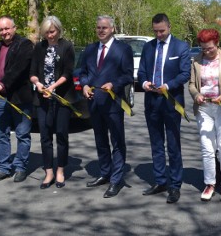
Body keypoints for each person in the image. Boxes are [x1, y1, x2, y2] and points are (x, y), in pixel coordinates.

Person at [138, 13, 191, 204]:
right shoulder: (148, 46)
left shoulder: (181, 47)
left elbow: (184, 74)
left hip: (171, 101)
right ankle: (160, 181)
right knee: (156, 144)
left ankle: (175, 185)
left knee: (173, 145)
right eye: (155, 31)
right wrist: (144, 83)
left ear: (169, 27)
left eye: (161, 31)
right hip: (151, 102)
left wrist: (167, 86)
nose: (159, 35)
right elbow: (142, 70)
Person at [80, 15, 133, 198]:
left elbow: (127, 75)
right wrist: (85, 85)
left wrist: (113, 84)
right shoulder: (90, 49)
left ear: (112, 29)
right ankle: (105, 173)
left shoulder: (123, 49)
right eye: (98, 27)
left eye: (104, 27)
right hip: (94, 102)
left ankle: (116, 180)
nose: (100, 30)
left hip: (113, 103)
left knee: (117, 141)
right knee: (100, 140)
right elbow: (82, 72)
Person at [188, 28, 221, 202]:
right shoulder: (196, 60)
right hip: (204, 108)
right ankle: (210, 183)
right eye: (203, 48)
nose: (207, 52)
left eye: (210, 48)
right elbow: (191, 85)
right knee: (207, 147)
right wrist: (196, 95)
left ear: (217, 43)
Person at [0, 16, 34, 183]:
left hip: (20, 98)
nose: (4, 32)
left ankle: (20, 167)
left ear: (14, 28)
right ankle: (4, 168)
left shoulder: (25, 45)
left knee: (22, 134)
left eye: (7, 28)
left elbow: (18, 69)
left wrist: (1, 84)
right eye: (1, 29)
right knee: (1, 133)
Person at [30, 16, 76, 189]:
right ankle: (49, 171)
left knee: (62, 135)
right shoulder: (39, 47)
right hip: (42, 99)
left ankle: (60, 170)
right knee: (45, 136)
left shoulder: (67, 46)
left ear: (58, 30)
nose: (50, 35)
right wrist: (38, 83)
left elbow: (68, 72)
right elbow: (33, 72)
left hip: (62, 98)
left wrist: (53, 87)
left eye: (53, 32)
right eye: (47, 32)